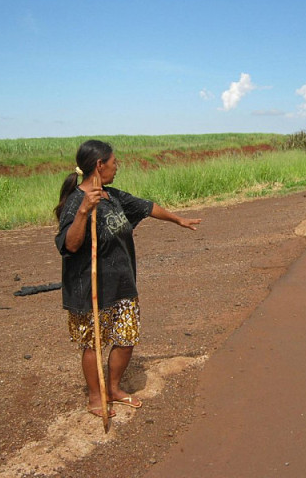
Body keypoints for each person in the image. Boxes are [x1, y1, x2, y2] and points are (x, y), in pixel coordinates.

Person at [54, 139, 201, 418]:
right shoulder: (76, 203)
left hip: (122, 284)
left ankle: (113, 389)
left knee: (126, 338)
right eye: (114, 162)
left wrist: (178, 220)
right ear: (99, 165)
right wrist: (85, 210)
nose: (116, 167)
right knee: (94, 343)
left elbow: (146, 207)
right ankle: (96, 397)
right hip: (91, 289)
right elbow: (69, 246)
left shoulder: (113, 196)